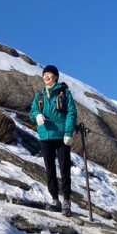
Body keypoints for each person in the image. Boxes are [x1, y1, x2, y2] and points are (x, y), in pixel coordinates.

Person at [29, 65, 77, 216]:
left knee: (64, 169)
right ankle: (55, 200)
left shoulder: (65, 93)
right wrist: (36, 115)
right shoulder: (40, 96)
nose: (46, 77)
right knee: (49, 169)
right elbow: (32, 112)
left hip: (62, 135)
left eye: (49, 74)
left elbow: (71, 112)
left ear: (56, 76)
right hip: (45, 136)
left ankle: (67, 201)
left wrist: (68, 132)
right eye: (44, 74)